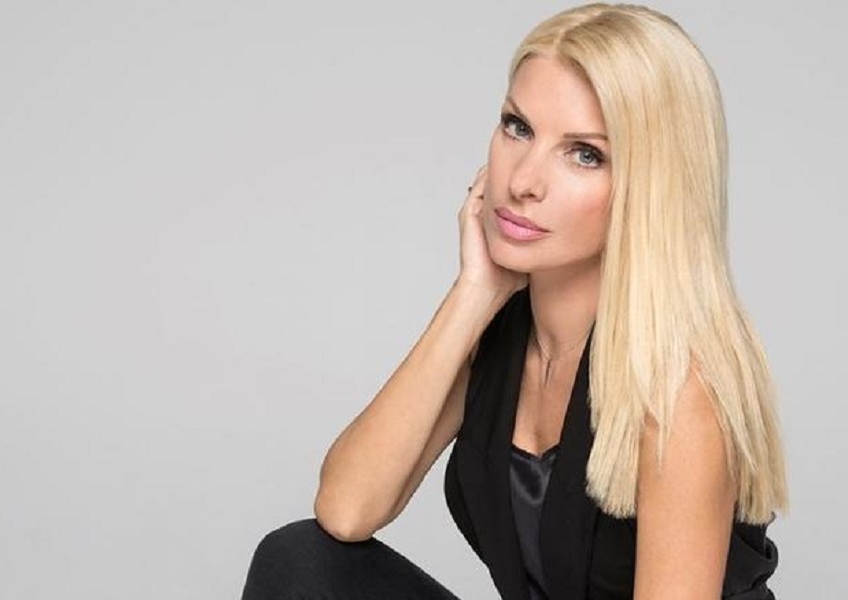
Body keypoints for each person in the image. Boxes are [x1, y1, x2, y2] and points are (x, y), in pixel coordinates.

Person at [241, 3, 789, 599]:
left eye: (585, 154)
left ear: (651, 186)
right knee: (299, 560)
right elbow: (346, 509)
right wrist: (474, 293)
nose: (523, 181)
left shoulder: (680, 389)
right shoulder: (502, 334)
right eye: (518, 127)